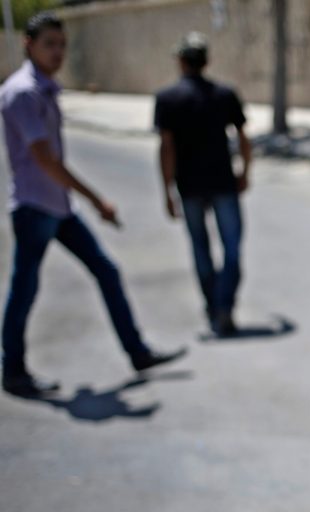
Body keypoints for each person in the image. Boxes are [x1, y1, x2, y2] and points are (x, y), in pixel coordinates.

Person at [0, 12, 186, 396]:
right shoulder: (22, 92)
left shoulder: (45, 89)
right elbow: (46, 160)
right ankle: (13, 370)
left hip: (58, 207)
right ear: (28, 45)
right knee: (25, 289)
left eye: (61, 44)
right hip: (35, 208)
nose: (57, 52)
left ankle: (136, 352)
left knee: (106, 271)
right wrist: (96, 199)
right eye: (49, 44)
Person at [154, 31, 251, 336]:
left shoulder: (167, 99)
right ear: (206, 61)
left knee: (200, 248)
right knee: (232, 248)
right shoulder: (224, 94)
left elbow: (166, 147)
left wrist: (167, 189)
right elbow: (244, 137)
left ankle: (214, 307)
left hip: (190, 187)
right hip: (223, 182)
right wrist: (245, 171)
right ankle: (223, 307)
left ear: (181, 62)